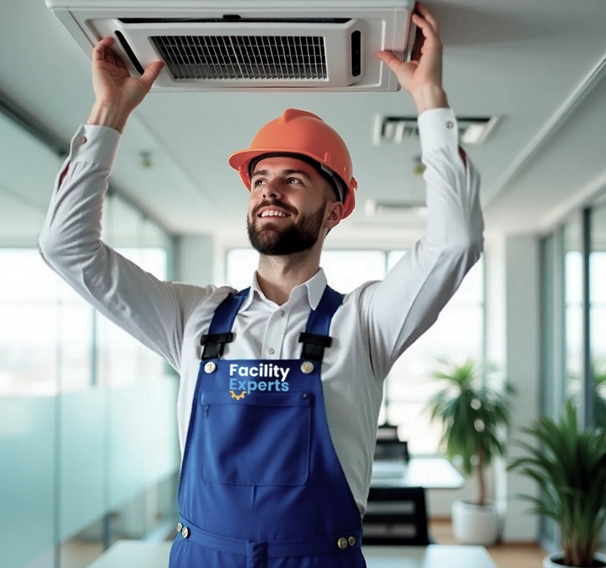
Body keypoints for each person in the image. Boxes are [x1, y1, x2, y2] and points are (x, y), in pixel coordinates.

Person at [38, 3, 483, 567]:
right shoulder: (191, 318)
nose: (270, 191)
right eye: (261, 179)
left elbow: (456, 242)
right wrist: (109, 112)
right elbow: (64, 247)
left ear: (335, 211)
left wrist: (429, 101)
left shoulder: (364, 324)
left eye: (294, 180)